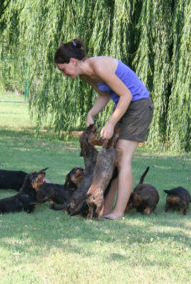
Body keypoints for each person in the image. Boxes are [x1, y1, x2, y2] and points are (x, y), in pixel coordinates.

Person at [54, 38, 154, 220]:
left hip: (139, 105)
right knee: (114, 159)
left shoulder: (98, 66)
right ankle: (105, 209)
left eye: (63, 69)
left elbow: (126, 94)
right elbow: (104, 94)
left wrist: (110, 123)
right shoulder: (85, 75)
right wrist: (90, 114)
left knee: (122, 158)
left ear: (73, 62)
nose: (63, 74)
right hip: (125, 106)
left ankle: (118, 212)